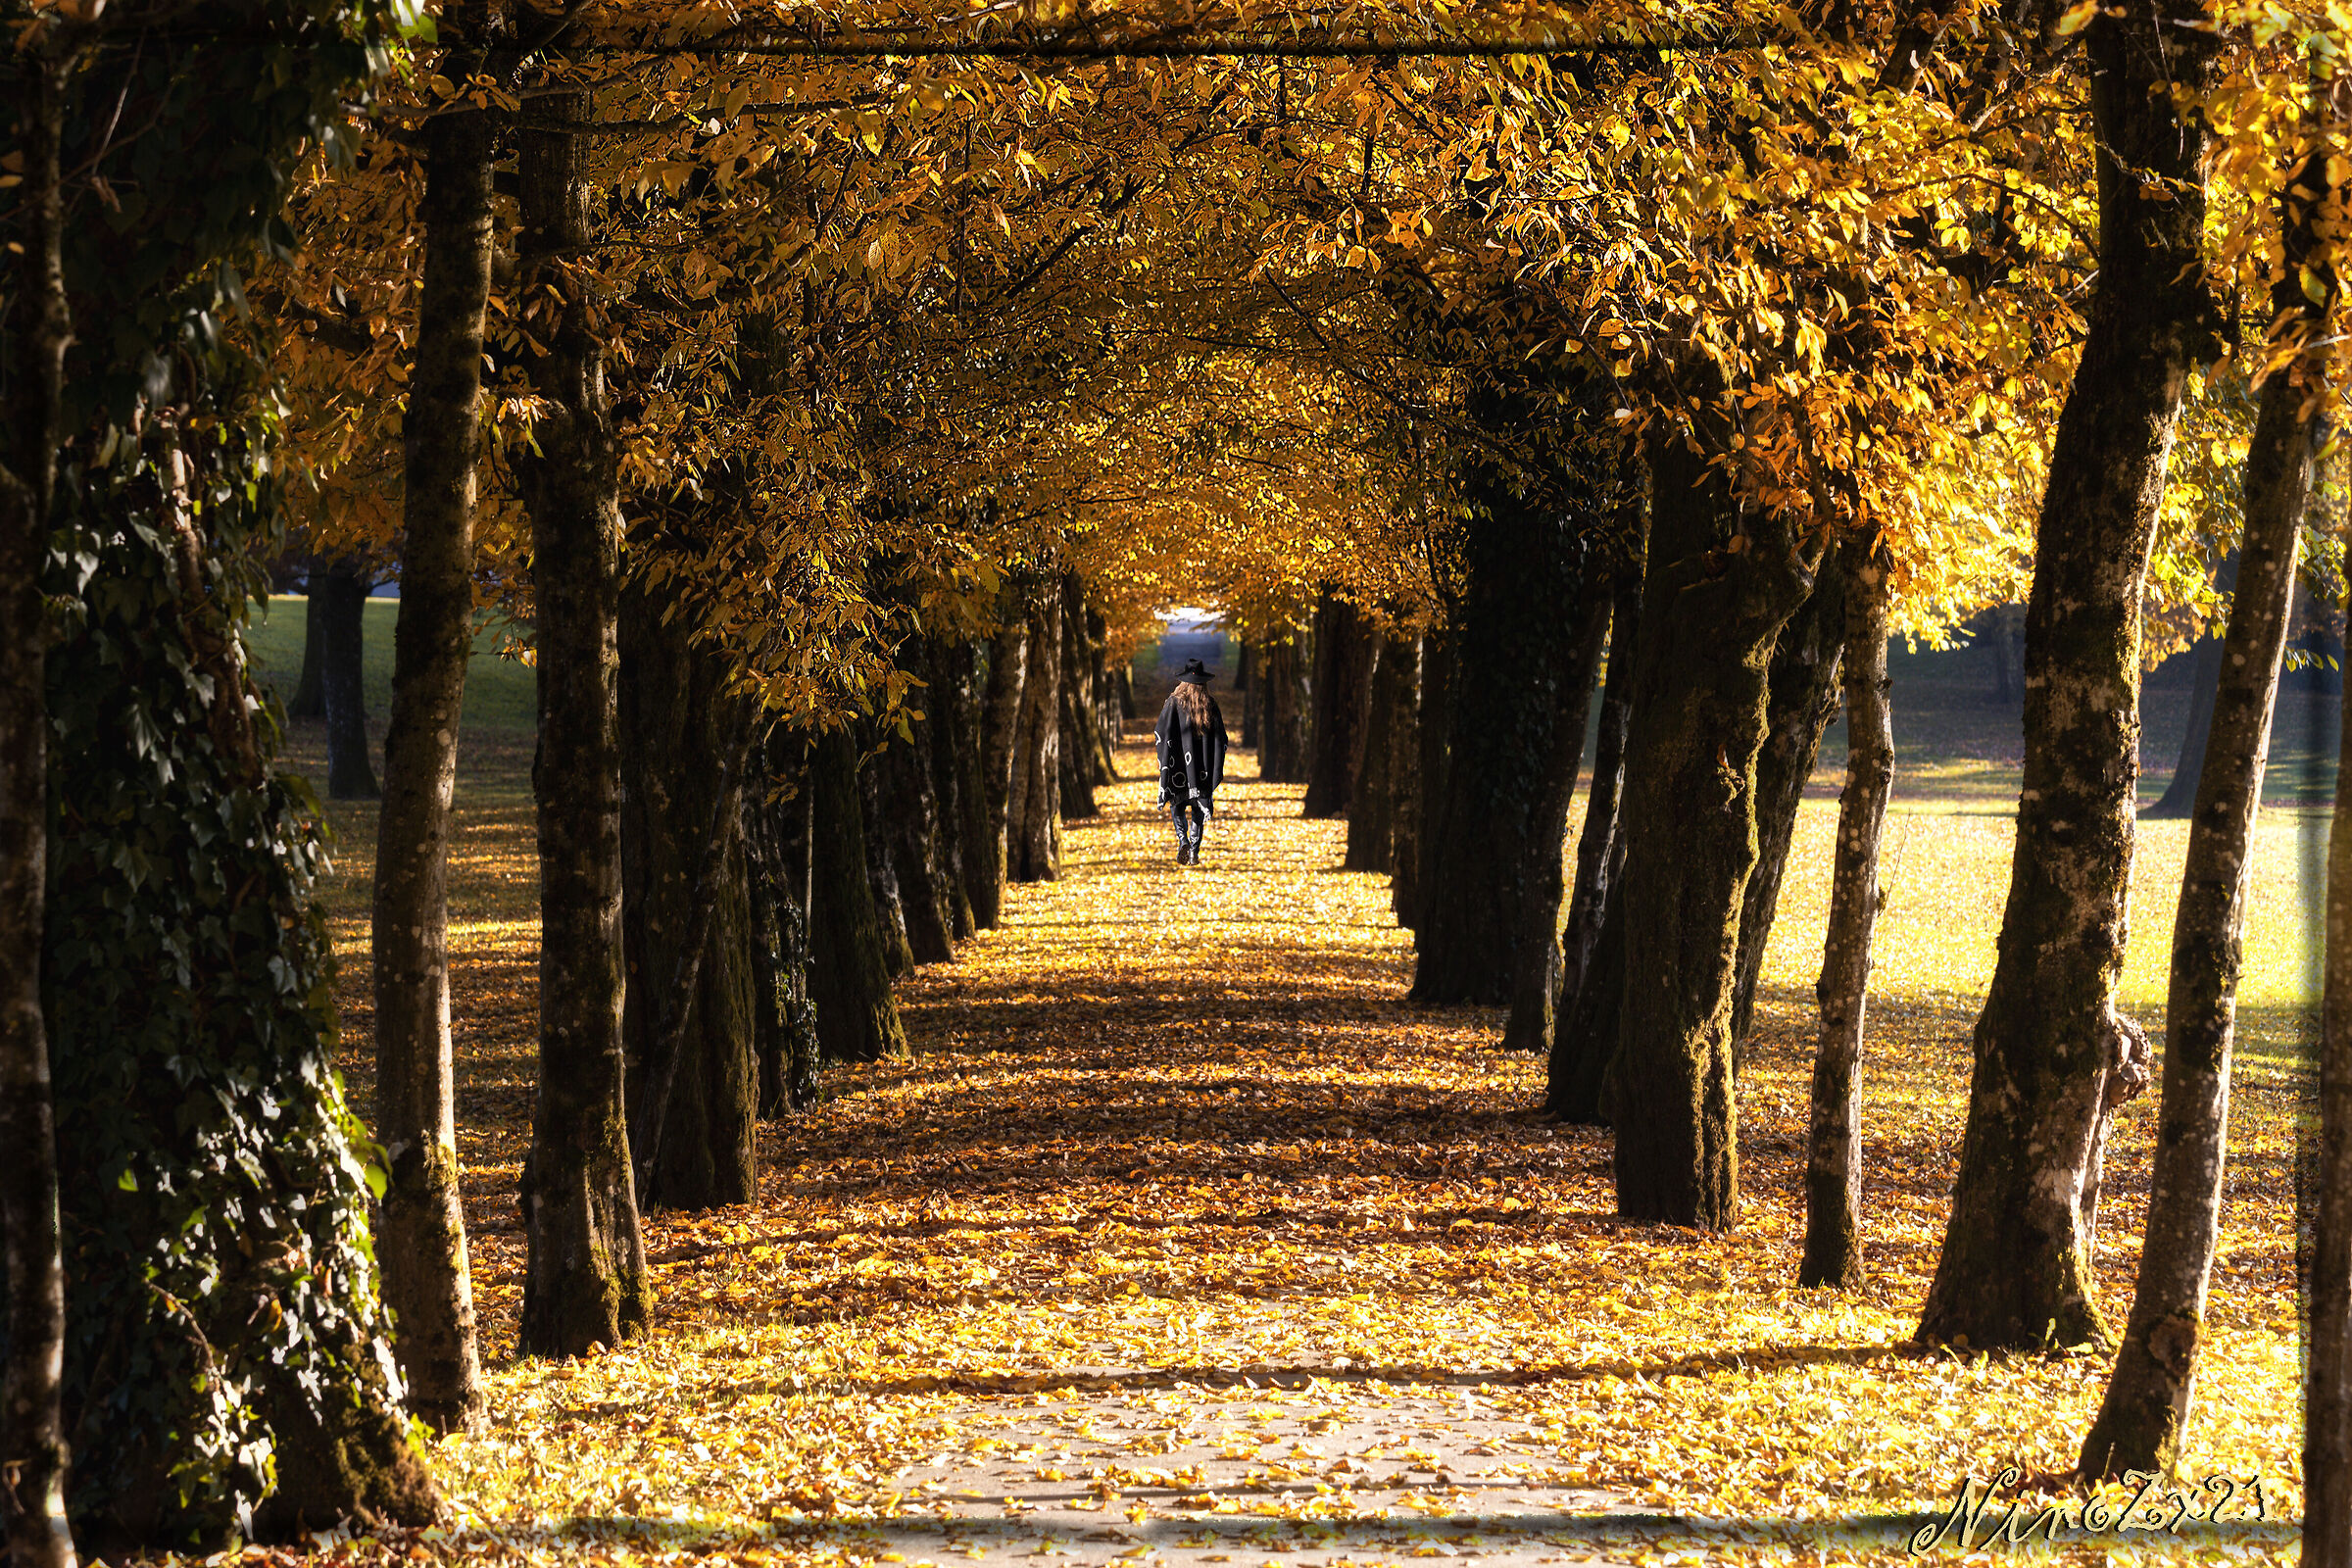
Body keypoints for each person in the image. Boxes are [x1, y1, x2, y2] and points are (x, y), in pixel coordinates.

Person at [1155, 657, 1229, 864]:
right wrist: (1214, 764)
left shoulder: (1173, 703)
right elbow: (1221, 738)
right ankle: (1194, 850)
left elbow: (1161, 732)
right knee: (1198, 808)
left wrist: (1166, 760)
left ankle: (1182, 841)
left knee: (1176, 805)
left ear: (1183, 681)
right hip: (1202, 770)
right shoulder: (1210, 705)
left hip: (1178, 769)